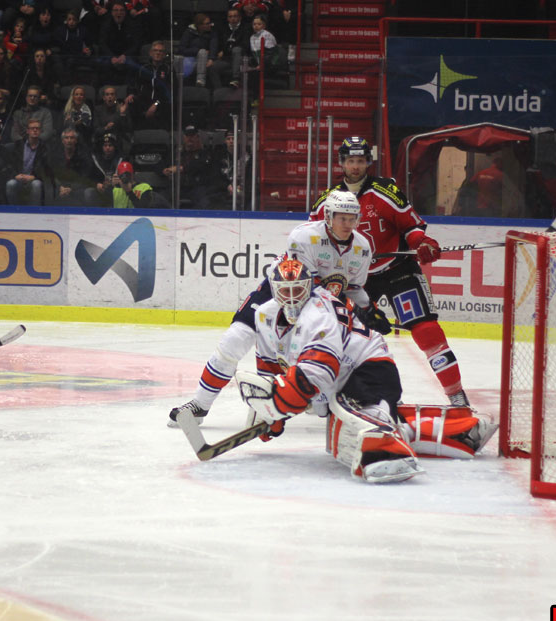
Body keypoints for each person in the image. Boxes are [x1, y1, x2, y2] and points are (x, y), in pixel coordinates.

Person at [232, 259, 495, 483]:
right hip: (342, 377)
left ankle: (389, 453)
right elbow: (269, 365)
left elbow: (321, 371)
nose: (291, 298)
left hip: (369, 367)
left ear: (309, 287)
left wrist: (282, 401)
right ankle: (459, 432)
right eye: (285, 291)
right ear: (273, 290)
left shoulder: (319, 313)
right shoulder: (264, 315)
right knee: (340, 429)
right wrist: (269, 409)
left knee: (353, 419)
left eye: (298, 290)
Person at [168, 190, 378, 425]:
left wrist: (368, 309)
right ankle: (200, 404)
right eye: (342, 218)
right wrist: (351, 306)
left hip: (321, 306)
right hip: (280, 291)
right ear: (328, 217)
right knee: (234, 340)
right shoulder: (305, 236)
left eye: (352, 218)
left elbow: (354, 288)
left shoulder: (363, 247)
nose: (348, 224)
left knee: (334, 350)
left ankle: (326, 400)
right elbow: (307, 284)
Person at [310, 136, 471, 407]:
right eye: (351, 161)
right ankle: (344, 395)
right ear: (342, 163)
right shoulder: (327, 200)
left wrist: (421, 242)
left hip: (397, 270)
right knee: (343, 334)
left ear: (368, 162)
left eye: (360, 160)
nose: (355, 166)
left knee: (426, 329)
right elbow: (315, 239)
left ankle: (456, 395)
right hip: (356, 279)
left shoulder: (385, 191)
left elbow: (411, 226)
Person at [128, 40, 171, 130]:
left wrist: (156, 104)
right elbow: (134, 84)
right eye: (155, 50)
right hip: (144, 102)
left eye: (160, 51)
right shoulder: (143, 68)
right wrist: (131, 94)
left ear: (164, 54)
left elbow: (170, 90)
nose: (158, 53)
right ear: (150, 53)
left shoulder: (168, 69)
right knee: (131, 102)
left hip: (161, 103)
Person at [5, 117, 49, 204]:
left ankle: (34, 210)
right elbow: (10, 164)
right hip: (19, 178)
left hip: (34, 179)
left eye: (37, 128)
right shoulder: (18, 145)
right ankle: (13, 210)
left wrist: (34, 177)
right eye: (32, 128)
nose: (35, 130)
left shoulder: (45, 148)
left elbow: (46, 168)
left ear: (40, 131)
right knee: (10, 184)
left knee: (37, 184)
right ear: (28, 131)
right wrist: (15, 175)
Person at [47, 125, 94, 205]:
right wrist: (60, 187)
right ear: (62, 141)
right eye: (66, 138)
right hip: (60, 187)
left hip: (78, 187)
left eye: (72, 138)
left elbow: (85, 177)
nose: (69, 140)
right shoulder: (55, 154)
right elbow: (51, 174)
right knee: (49, 191)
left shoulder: (83, 155)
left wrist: (71, 188)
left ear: (76, 140)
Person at [179, 13, 224, 88]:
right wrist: (198, 51)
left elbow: (214, 46)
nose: (210, 25)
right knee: (202, 52)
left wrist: (211, 59)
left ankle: (200, 81)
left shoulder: (212, 33)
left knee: (204, 55)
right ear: (199, 25)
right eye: (207, 24)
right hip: (190, 60)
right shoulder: (188, 32)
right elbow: (181, 49)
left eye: (210, 23)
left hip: (206, 60)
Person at [93, 85, 132, 150]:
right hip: (103, 139)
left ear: (115, 97)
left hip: (118, 140)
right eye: (107, 94)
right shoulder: (98, 110)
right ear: (104, 97)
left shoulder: (122, 108)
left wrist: (122, 114)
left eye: (112, 94)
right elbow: (96, 130)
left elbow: (128, 128)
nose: (110, 96)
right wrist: (106, 128)